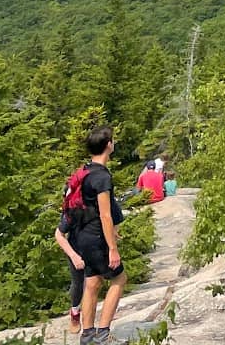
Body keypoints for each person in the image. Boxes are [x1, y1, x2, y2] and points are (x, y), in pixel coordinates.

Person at [73, 126, 128, 344]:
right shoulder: (102, 177)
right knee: (119, 278)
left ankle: (87, 334)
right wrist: (112, 248)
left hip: (82, 236)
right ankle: (103, 333)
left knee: (93, 282)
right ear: (108, 145)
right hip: (97, 237)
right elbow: (105, 215)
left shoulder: (84, 171)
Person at [55, 200, 86, 332]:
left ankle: (91, 316)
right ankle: (75, 311)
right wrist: (73, 256)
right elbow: (59, 234)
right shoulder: (74, 209)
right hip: (76, 249)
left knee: (94, 282)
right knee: (78, 283)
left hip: (95, 247)